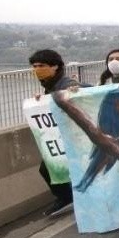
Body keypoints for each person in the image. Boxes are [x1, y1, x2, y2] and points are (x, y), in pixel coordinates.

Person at [28, 49, 81, 217]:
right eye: (35, 66)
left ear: (55, 66)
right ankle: (69, 197)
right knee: (49, 167)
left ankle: (67, 197)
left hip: (73, 135)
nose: (37, 69)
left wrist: (74, 90)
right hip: (62, 135)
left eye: (42, 65)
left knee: (48, 168)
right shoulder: (50, 86)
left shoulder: (65, 84)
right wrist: (42, 101)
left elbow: (84, 91)